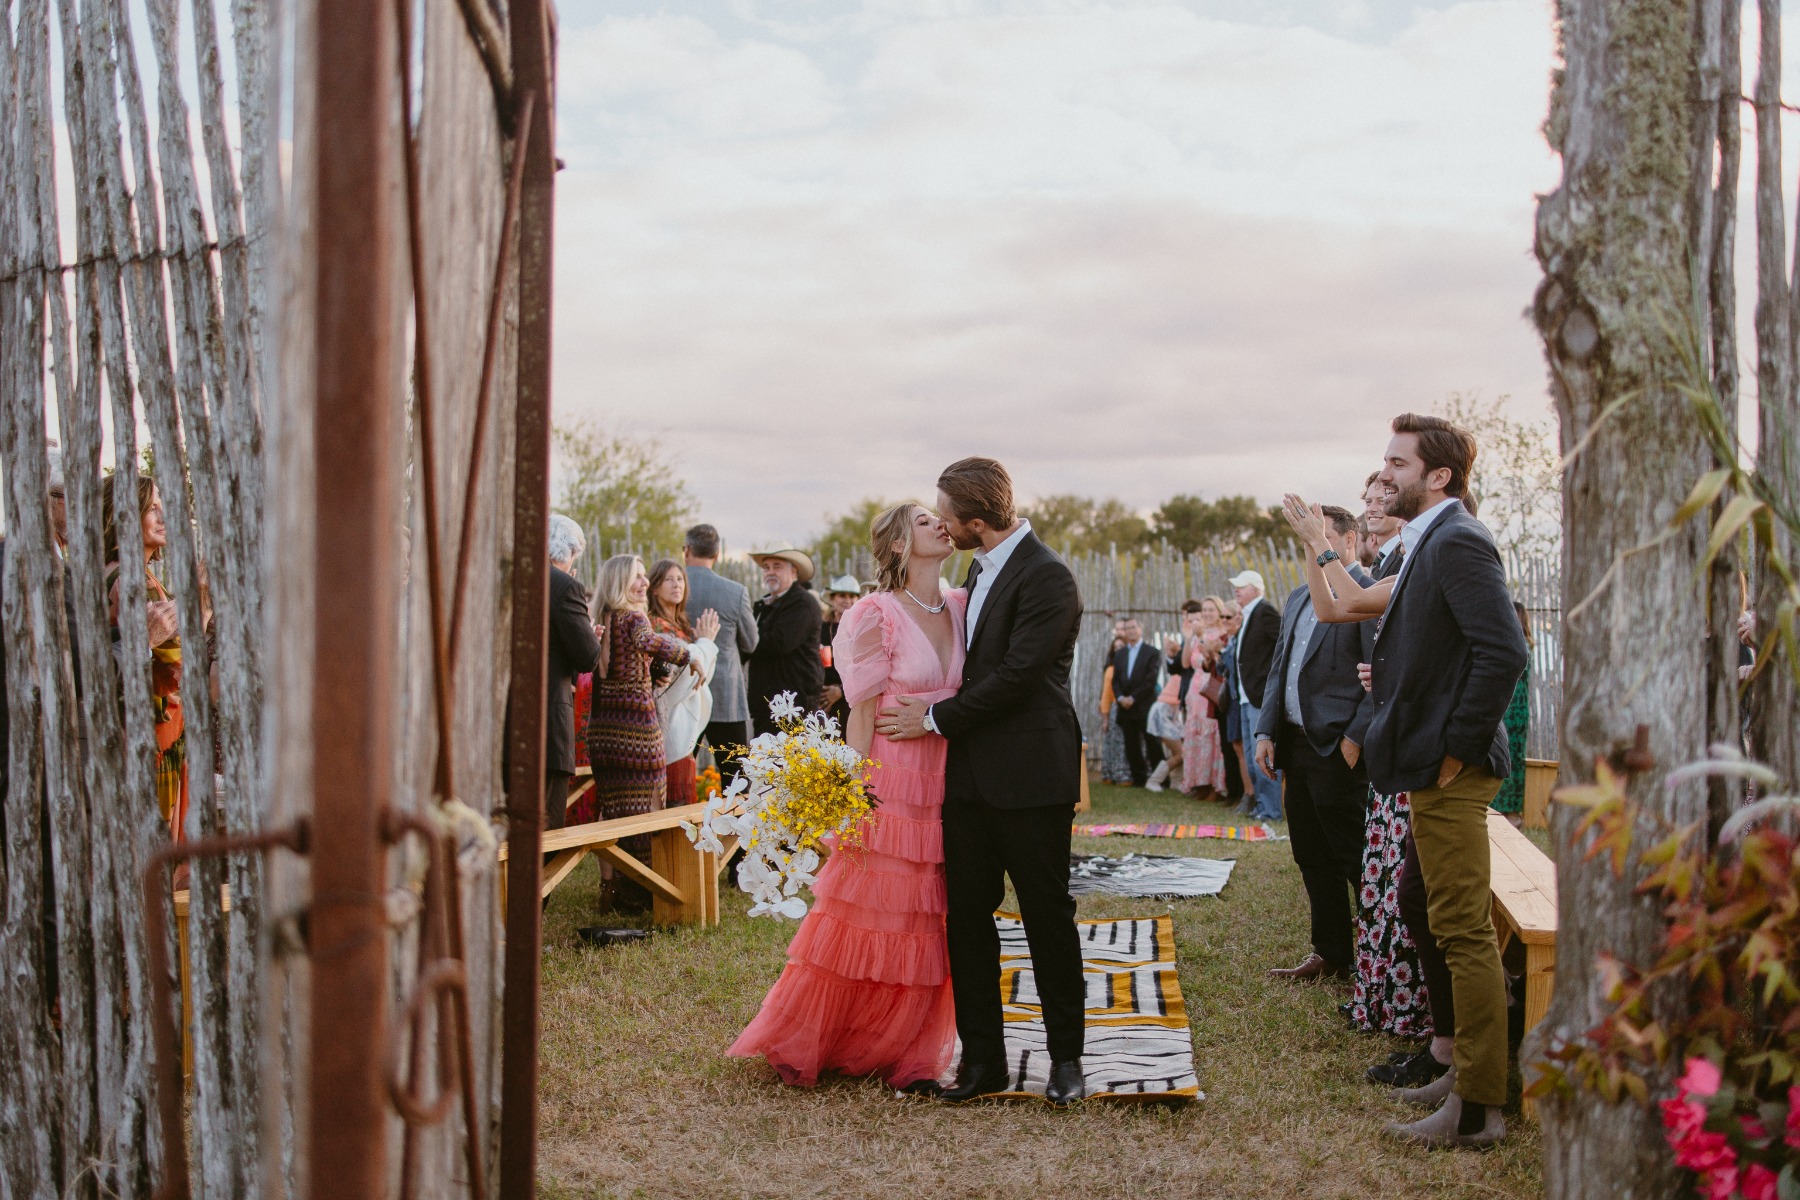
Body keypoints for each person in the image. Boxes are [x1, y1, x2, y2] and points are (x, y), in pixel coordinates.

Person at [1283, 412, 1528, 1149]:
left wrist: (1455, 749)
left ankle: (1481, 1107)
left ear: (1439, 476)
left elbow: (1504, 651)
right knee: (1428, 904)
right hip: (1428, 766)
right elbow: (1341, 604)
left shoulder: (1457, 541)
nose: (1384, 474)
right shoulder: (1426, 544)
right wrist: (1316, 546)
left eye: (1397, 462)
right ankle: (1464, 1071)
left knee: (1460, 929)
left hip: (1451, 770)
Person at [729, 503, 962, 1089]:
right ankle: (826, 1032)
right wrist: (854, 795)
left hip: (947, 779)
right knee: (869, 911)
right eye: (924, 520)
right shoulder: (872, 614)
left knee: (926, 914)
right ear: (899, 546)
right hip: (889, 779)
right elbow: (860, 714)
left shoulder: (963, 606)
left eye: (940, 516)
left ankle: (910, 1046)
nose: (940, 523)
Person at [878, 457, 1088, 1106]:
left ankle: (1066, 1062)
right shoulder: (975, 570)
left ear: (975, 519)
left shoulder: (1049, 576)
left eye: (947, 514)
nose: (941, 523)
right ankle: (984, 1065)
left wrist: (934, 717)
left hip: (1031, 776)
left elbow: (1020, 676)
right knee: (966, 922)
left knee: (1047, 918)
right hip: (967, 781)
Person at [1255, 506, 1374, 983]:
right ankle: (1331, 953)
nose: (1311, 546)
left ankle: (1382, 954)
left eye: (1319, 537)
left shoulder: (1366, 594)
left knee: (1352, 853)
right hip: (1296, 745)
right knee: (1309, 853)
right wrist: (1266, 731)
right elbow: (1279, 667)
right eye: (1305, 539)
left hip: (1339, 747)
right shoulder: (1300, 595)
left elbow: (1381, 674)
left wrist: (1354, 737)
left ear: (1348, 541)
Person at [586, 554, 698, 912]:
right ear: (619, 581)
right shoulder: (633, 616)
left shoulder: (602, 616)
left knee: (611, 807)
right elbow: (650, 641)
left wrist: (654, 670)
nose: (643, 583)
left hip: (603, 729)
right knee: (649, 803)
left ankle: (610, 889)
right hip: (636, 725)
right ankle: (644, 889)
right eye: (636, 577)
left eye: (643, 577)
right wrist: (689, 654)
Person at [102, 475, 188, 837]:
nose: (162, 514)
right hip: (151, 737)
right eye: (152, 508)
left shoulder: (135, 576)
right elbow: (174, 666)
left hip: (160, 734)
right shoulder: (127, 580)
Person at [682, 524, 759, 782]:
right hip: (726, 697)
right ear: (716, 555)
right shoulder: (735, 592)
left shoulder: (670, 585)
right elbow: (751, 642)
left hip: (682, 694)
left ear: (687, 550)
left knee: (676, 778)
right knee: (734, 782)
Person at [646, 558, 721, 808]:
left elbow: (701, 678)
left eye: (680, 579)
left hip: (685, 727)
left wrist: (701, 645)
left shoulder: (682, 628)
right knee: (671, 808)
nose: (676, 584)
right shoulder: (654, 627)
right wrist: (706, 644)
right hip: (667, 726)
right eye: (669, 579)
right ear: (654, 587)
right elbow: (681, 682)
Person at [546, 515, 603, 831]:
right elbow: (586, 657)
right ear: (566, 552)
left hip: (500, 719)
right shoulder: (564, 586)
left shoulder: (508, 577)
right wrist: (592, 636)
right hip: (547, 716)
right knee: (544, 819)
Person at [747, 545, 824, 736]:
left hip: (795, 705)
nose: (770, 572)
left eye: (777, 566)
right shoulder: (764, 604)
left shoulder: (802, 602)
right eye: (767, 568)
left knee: (795, 763)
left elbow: (779, 643)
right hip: (768, 704)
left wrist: (746, 641)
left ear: (794, 572)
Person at [1229, 570, 1282, 821]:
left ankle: (1271, 810)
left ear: (1256, 589)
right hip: (1245, 696)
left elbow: (1283, 643)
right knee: (1252, 757)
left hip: (1259, 695)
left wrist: (1269, 678)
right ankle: (1262, 806)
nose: (1236, 590)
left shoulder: (1265, 611)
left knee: (1263, 756)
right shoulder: (1248, 615)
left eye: (1242, 586)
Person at [1180, 596, 1230, 799]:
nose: (1208, 614)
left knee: (1213, 737)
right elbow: (1185, 663)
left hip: (1213, 687)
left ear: (1219, 612)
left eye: (1212, 610)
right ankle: (1198, 782)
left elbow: (1214, 659)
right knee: (1196, 737)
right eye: (1205, 610)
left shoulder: (1222, 634)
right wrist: (1188, 638)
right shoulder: (1197, 633)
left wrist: (1201, 637)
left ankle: (1215, 785)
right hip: (1195, 690)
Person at [1490, 601, 1533, 821]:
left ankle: (1510, 812)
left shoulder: (1520, 647)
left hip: (1512, 711)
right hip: (1509, 710)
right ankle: (1502, 810)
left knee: (1510, 760)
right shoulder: (1520, 646)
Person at [1108, 617, 1161, 787]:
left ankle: (1161, 779)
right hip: (1125, 707)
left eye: (1133, 627)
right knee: (1131, 744)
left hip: (1144, 705)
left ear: (1141, 628)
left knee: (1152, 743)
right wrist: (1121, 698)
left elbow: (1150, 680)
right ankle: (1139, 779)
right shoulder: (1120, 654)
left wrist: (1134, 698)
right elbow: (1115, 680)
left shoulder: (1152, 652)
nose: (1130, 630)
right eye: (1127, 628)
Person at [818, 574, 861, 729]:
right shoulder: (822, 629)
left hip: (852, 700)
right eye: (842, 595)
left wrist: (841, 691)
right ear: (832, 599)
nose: (847, 600)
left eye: (852, 596)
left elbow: (866, 668)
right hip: (824, 700)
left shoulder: (863, 630)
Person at [1097, 630, 1132, 784]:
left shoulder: (1131, 666)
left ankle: (1129, 774)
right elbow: (1105, 695)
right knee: (1115, 744)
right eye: (1115, 647)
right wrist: (1105, 718)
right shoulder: (1110, 670)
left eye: (1121, 646)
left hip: (1131, 709)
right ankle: (1115, 775)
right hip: (1115, 710)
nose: (1118, 649)